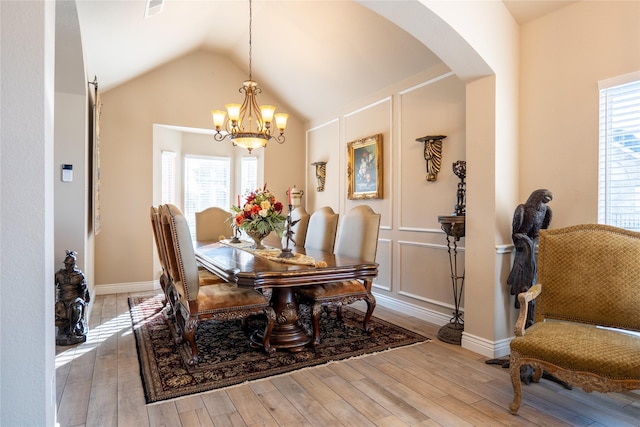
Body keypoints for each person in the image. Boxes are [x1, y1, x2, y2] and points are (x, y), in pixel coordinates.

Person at [55, 250, 90, 345]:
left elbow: (85, 290)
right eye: (66, 264)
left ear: (73, 264)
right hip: (62, 299)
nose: (67, 266)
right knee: (58, 309)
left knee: (76, 309)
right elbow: (50, 287)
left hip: (75, 299)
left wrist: (85, 300)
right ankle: (64, 330)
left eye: (69, 264)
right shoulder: (59, 275)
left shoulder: (79, 275)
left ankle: (73, 329)